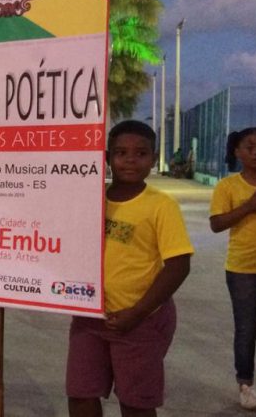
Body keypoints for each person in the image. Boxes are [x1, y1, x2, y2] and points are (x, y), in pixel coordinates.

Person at [67, 120, 193, 417]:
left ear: (153, 157)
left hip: (140, 322)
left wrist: (136, 313)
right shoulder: (89, 199)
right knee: (80, 395)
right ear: (108, 157)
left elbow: (178, 265)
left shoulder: (161, 206)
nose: (130, 161)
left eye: (141, 153)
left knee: (136, 403)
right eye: (121, 153)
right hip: (90, 318)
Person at [209, 127, 256, 409]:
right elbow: (216, 224)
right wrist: (250, 206)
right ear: (237, 152)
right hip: (244, 269)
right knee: (246, 328)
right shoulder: (227, 187)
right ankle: (246, 385)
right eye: (250, 146)